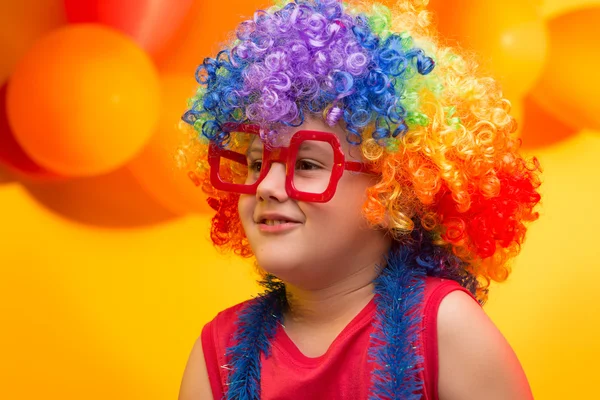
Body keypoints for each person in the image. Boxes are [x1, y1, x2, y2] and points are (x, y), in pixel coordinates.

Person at [178, 0, 541, 398]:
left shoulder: (443, 330)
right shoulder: (219, 353)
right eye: (255, 163)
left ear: (393, 190)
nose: (267, 185)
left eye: (308, 165)